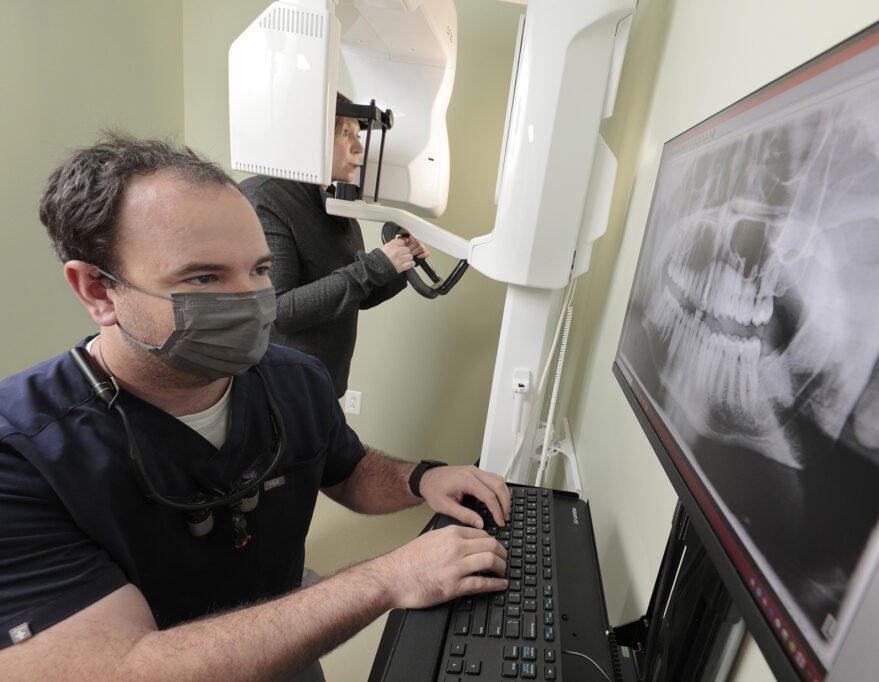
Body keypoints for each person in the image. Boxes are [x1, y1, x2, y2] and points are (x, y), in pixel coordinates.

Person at [0, 134, 509, 681]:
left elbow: (348, 471)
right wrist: (387, 578)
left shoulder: (295, 379)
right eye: (204, 277)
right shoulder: (20, 452)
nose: (253, 303)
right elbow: (117, 669)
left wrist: (420, 478)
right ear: (98, 291)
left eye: (260, 270)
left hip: (286, 648)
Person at [239, 94, 426, 398]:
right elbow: (280, 310)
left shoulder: (333, 203)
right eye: (345, 133)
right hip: (281, 390)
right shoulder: (265, 198)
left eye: (358, 134)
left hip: (324, 383)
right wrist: (375, 264)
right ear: (311, 137)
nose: (359, 147)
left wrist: (397, 266)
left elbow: (354, 295)